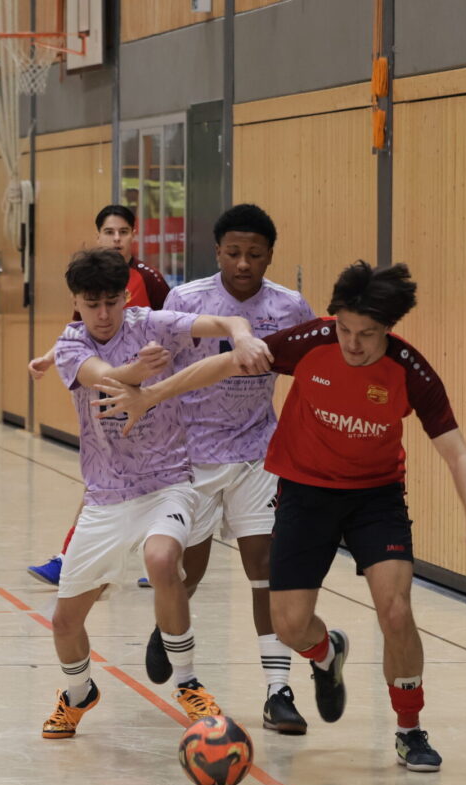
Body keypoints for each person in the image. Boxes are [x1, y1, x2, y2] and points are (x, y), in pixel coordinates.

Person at [94, 261, 466, 772]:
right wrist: (150, 394)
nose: (352, 344)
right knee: (290, 626)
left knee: (396, 611)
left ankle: (409, 729)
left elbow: (456, 452)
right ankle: (327, 653)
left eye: (366, 335)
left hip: (375, 497)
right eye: (345, 329)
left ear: (388, 329)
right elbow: (225, 364)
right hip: (305, 494)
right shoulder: (311, 341)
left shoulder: (408, 369)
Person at [41, 247, 271, 739]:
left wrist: (242, 335)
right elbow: (103, 377)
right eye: (91, 304)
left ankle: (187, 682)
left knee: (163, 560)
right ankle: (79, 693)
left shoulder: (152, 324)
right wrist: (139, 373)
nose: (103, 314)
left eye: (111, 302)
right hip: (105, 496)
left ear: (125, 298)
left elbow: (225, 321)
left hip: (167, 483)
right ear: (76, 302)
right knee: (64, 622)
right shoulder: (70, 344)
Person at [140, 203, 315, 734]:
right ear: (217, 252)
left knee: (265, 568)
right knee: (187, 571)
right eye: (234, 253)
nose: (243, 263)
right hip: (192, 452)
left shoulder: (289, 306)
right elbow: (160, 370)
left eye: (254, 254)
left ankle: (278, 691)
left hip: (257, 451)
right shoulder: (187, 300)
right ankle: (168, 626)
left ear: (270, 256)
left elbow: (311, 373)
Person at [26, 204, 172, 586]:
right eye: (109, 232)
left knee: (155, 480)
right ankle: (72, 558)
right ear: (98, 236)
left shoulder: (149, 279)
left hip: (148, 396)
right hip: (108, 388)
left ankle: (158, 558)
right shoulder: (90, 281)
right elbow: (78, 333)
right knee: (104, 479)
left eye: (123, 231)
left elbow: (172, 323)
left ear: (134, 235)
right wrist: (49, 357)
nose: (117, 238)